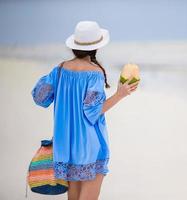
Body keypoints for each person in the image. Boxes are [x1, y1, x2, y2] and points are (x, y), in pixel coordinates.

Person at [31, 21, 139, 200]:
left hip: (66, 149)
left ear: (74, 47)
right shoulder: (94, 73)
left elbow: (39, 96)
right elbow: (92, 112)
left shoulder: (59, 70)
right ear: (96, 48)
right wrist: (120, 94)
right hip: (89, 148)